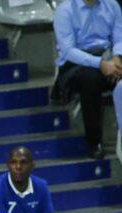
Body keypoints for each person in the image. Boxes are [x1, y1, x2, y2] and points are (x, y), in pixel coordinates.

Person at [51, 0, 122, 159]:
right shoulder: (65, 10)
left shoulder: (112, 5)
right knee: (90, 79)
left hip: (108, 57)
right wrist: (100, 64)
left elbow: (119, 36)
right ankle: (94, 142)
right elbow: (68, 50)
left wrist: (118, 57)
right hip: (75, 64)